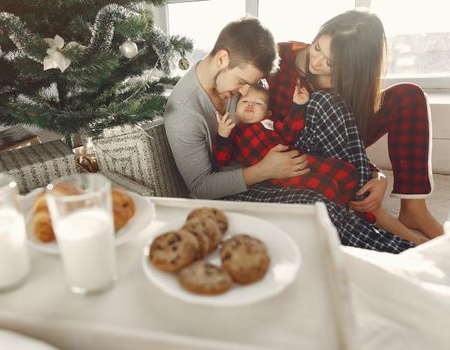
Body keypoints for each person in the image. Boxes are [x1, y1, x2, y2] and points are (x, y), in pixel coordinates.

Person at [164, 16, 414, 253]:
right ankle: (405, 254)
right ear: (221, 58)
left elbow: (283, 128)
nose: (245, 91)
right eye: (241, 82)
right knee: (318, 207)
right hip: (241, 187)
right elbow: (200, 187)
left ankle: (363, 199)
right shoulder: (184, 112)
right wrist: (265, 170)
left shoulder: (244, 81)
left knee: (326, 101)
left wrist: (375, 173)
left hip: (274, 154)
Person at [267, 9, 443, 240]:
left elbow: (345, 132)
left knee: (409, 95)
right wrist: (370, 173)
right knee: (325, 101)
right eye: (317, 47)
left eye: (330, 62)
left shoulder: (352, 78)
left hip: (344, 141)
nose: (316, 61)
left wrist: (377, 176)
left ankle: (414, 209)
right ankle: (378, 214)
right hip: (301, 144)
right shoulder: (278, 60)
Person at [213, 83, 423, 244]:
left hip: (299, 158)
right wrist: (222, 135)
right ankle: (345, 210)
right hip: (281, 176)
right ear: (235, 109)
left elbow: (291, 130)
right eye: (244, 102)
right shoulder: (235, 133)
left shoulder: (270, 125)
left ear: (267, 113)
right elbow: (221, 160)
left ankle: (355, 203)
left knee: (345, 172)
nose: (250, 105)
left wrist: (298, 105)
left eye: (257, 104)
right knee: (324, 186)